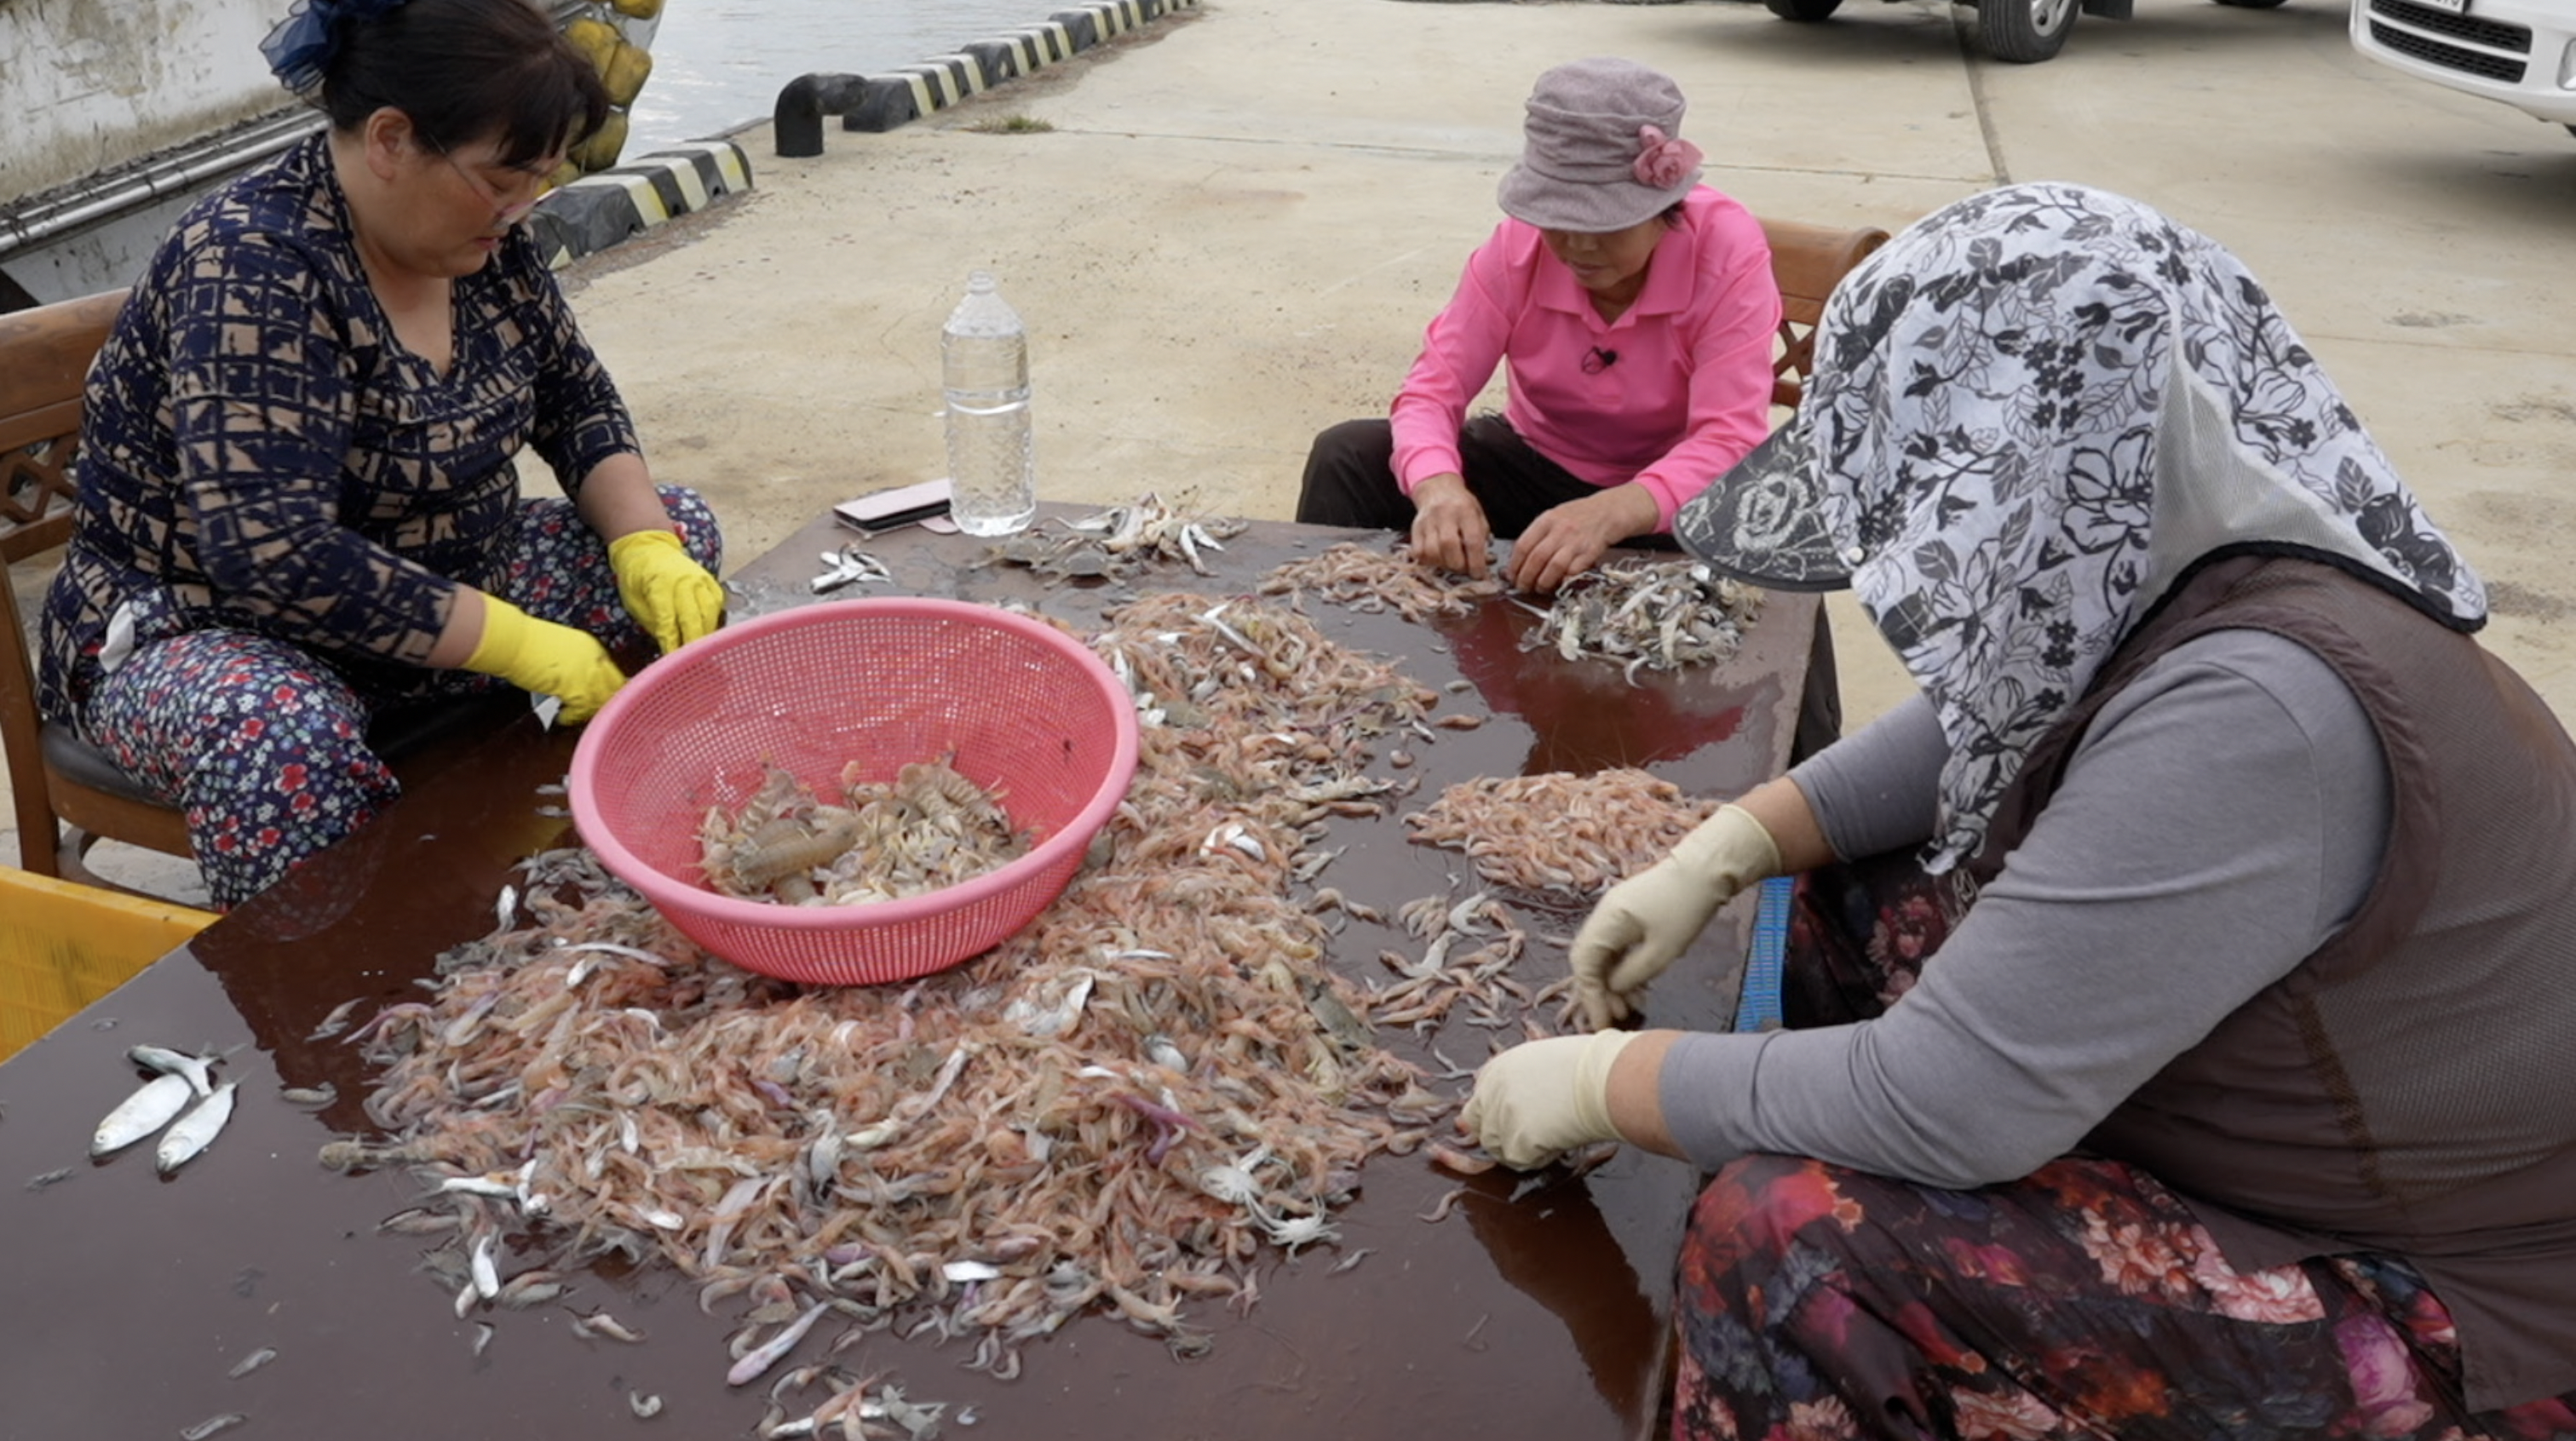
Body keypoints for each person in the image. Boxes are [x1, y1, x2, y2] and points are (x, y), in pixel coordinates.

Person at [1461, 182, 2576, 1437]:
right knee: (1858, 889)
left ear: (2033, 480)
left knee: (1789, 1245)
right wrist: (1733, 846)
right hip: (2292, 1127)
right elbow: (1995, 710)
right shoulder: (2190, 551)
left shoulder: (2262, 714)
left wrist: (1613, 1083)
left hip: (2449, 1293)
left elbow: (1949, 1103)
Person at [36, 0, 724, 910]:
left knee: (684, 540)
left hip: (442, 584)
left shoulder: (490, 241)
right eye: (502, 178)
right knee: (275, 738)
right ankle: (343, 990)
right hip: (216, 629)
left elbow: (574, 400)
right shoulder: (253, 261)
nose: (521, 208)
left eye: (540, 182)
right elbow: (270, 550)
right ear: (392, 139)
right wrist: (514, 642)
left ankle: (572, 851)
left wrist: (648, 546)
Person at [1294, 56, 1781, 598]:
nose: (1579, 246)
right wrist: (1438, 488)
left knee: (1757, 568)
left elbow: (1728, 438)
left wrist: (1615, 510)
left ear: (1664, 203)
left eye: (1605, 222)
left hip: (1666, 495)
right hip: (1533, 463)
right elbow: (1432, 391)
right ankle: (1328, 641)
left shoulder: (1728, 252)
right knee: (1346, 455)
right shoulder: (1516, 248)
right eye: (1560, 220)